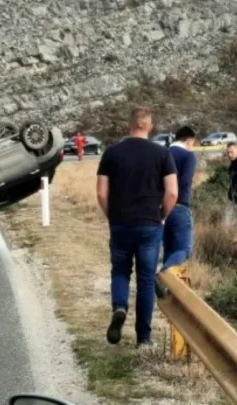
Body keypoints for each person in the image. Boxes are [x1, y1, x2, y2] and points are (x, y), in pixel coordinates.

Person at [96, 108, 178, 348]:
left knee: (120, 272)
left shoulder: (112, 153)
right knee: (145, 280)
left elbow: (101, 193)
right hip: (149, 224)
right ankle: (143, 338)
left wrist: (112, 216)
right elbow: (172, 192)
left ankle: (119, 307)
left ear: (128, 126)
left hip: (121, 223)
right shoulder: (162, 154)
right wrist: (162, 216)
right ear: (150, 127)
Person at [162, 126, 198, 270]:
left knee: (169, 250)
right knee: (184, 249)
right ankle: (161, 275)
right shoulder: (188, 156)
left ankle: (164, 283)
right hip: (180, 206)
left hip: (162, 207)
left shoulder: (163, 153)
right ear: (189, 141)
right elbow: (185, 181)